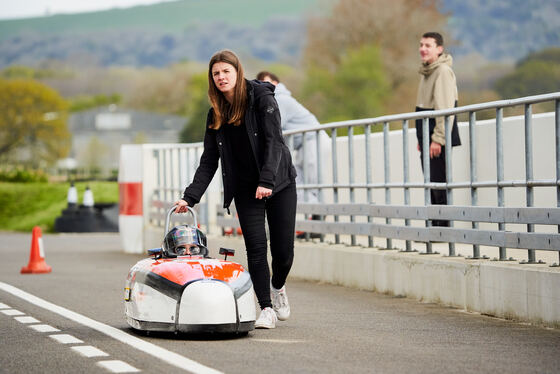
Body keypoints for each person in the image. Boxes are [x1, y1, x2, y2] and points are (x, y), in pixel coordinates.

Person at [174, 50, 297, 329]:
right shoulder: (215, 114)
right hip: (244, 188)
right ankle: (265, 308)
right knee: (255, 248)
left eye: (226, 72)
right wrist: (190, 197)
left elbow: (274, 141)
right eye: (216, 73)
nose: (221, 77)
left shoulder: (262, 98)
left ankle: (277, 286)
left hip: (278, 182)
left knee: (284, 252)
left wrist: (266, 180)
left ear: (237, 72)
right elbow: (209, 161)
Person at [415, 32, 461, 226]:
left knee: (438, 183)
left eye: (428, 45)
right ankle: (435, 227)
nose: (423, 49)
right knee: (431, 183)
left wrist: (438, 139)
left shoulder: (442, 71)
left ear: (439, 49)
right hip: (427, 136)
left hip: (436, 137)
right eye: (421, 45)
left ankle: (442, 228)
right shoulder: (427, 71)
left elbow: (444, 108)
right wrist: (421, 139)